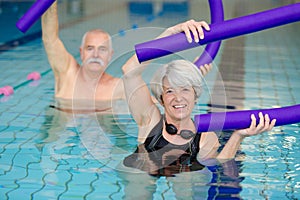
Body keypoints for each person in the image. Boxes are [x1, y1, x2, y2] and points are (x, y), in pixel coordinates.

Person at [121, 19, 277, 175]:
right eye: (170, 91)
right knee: (139, 184)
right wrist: (169, 34)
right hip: (144, 173)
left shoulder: (205, 137)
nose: (178, 98)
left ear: (196, 97)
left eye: (185, 90)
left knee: (187, 185)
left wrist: (238, 136)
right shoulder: (150, 120)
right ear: (161, 99)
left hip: (186, 179)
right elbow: (129, 70)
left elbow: (219, 164)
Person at [42, 1, 125, 112]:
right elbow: (50, 39)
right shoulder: (67, 73)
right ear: (81, 52)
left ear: (110, 55)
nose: (96, 55)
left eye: (102, 49)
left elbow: (151, 107)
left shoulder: (118, 87)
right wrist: (51, 4)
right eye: (90, 48)